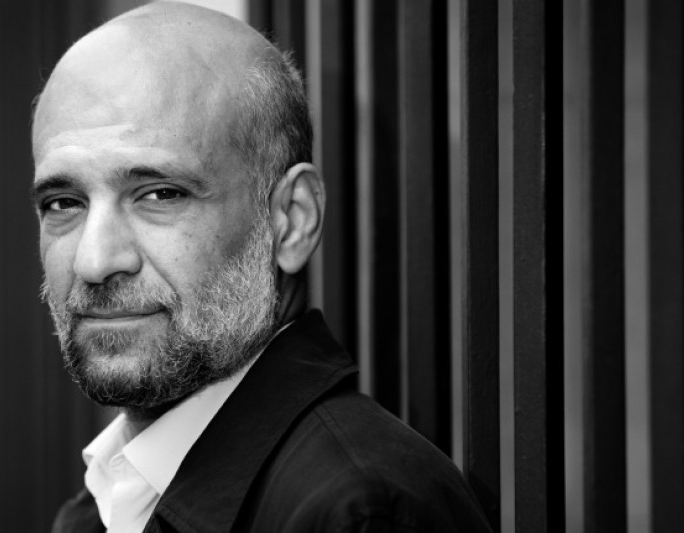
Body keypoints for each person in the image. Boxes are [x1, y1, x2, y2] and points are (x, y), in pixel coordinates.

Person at [31, 2, 491, 532]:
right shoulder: (106, 503)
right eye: (63, 203)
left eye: (160, 194)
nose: (94, 261)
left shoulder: (360, 514)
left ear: (291, 221)